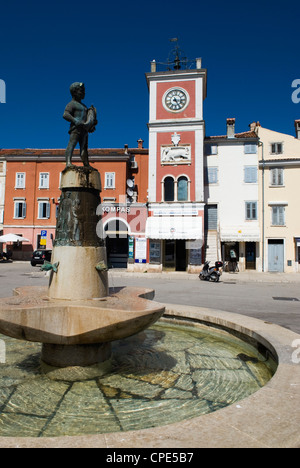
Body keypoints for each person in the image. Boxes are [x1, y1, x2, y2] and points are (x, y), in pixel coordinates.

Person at [63, 82, 97, 168]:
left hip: (84, 129)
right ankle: (68, 163)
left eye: (84, 91)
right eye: (81, 91)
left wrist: (91, 124)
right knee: (72, 144)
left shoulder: (84, 106)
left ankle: (86, 164)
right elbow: (65, 114)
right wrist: (75, 120)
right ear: (74, 92)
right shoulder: (71, 104)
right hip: (76, 128)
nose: (84, 93)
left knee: (84, 148)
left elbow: (88, 118)